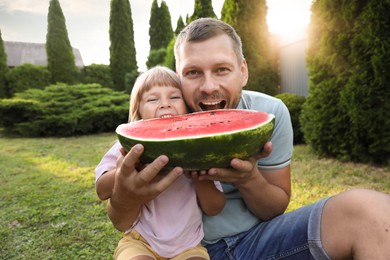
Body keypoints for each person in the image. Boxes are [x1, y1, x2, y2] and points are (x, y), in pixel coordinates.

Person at [102, 18, 390, 259]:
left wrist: (248, 178)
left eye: (222, 69)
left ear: (243, 71)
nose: (209, 87)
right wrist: (128, 192)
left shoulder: (270, 112)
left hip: (256, 242)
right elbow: (120, 220)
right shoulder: (157, 125)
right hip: (181, 250)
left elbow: (274, 208)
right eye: (192, 73)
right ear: (179, 77)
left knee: (372, 212)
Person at [95, 65, 225, 259]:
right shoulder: (128, 146)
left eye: (174, 97)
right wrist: (125, 172)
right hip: (140, 242)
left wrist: (198, 174)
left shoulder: (199, 148)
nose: (165, 104)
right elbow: (102, 190)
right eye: (153, 99)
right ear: (138, 110)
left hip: (189, 246)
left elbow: (215, 207)